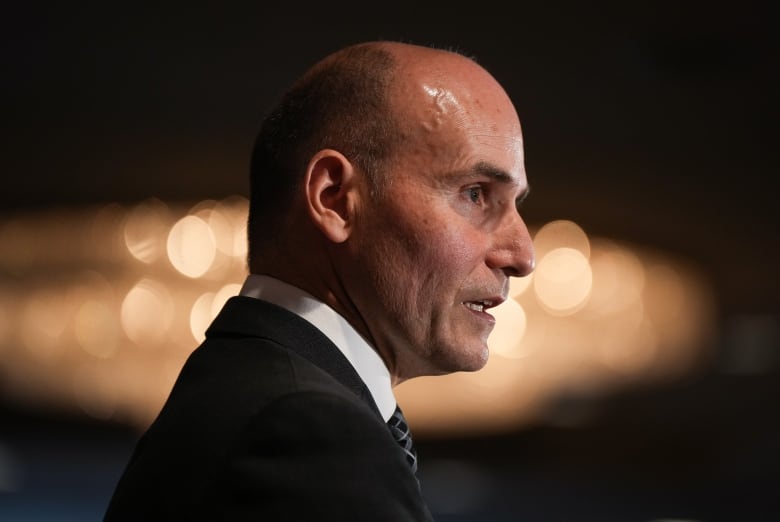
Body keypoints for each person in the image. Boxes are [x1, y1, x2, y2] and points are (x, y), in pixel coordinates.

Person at [104, 40, 535, 521]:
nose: (522, 256)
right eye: (475, 194)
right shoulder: (306, 431)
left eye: (517, 203)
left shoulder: (249, 394)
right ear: (334, 199)